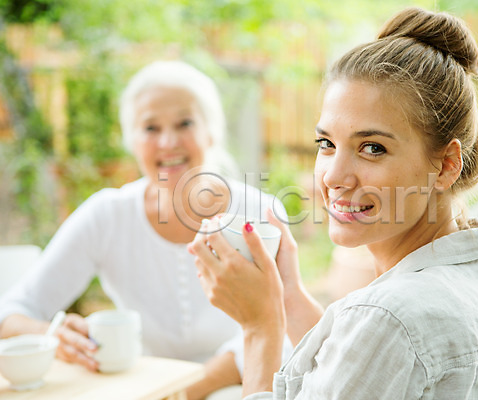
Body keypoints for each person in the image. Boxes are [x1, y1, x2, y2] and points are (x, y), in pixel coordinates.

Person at [189, 7, 478, 399]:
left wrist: (260, 327)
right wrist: (287, 294)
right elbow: (355, 371)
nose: (333, 177)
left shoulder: (389, 319)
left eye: (372, 148)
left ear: (446, 165)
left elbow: (381, 334)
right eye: (327, 143)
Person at [0, 60, 286, 399]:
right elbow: (12, 313)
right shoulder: (107, 216)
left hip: (238, 388)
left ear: (211, 132)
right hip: (143, 388)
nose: (168, 141)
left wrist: (190, 389)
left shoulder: (260, 212)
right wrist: (52, 334)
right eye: (150, 128)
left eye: (185, 123)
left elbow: (283, 324)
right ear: (131, 141)